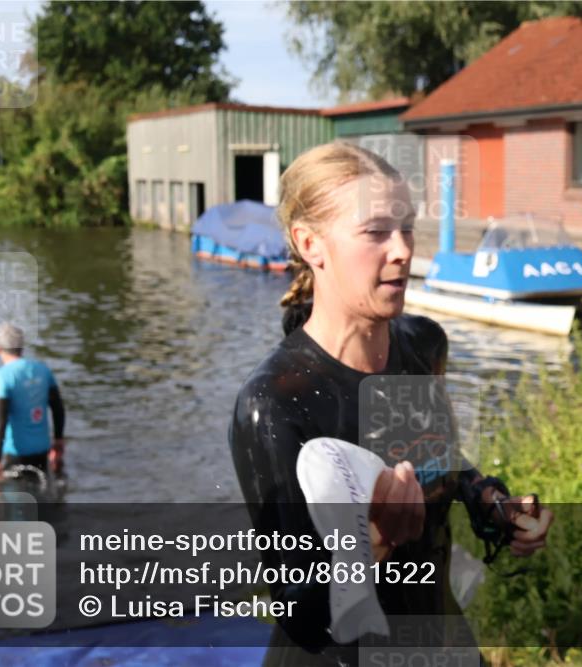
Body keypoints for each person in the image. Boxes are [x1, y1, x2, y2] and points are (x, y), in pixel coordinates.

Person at [228, 142, 552, 666]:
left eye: (407, 228)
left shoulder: (422, 344)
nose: (402, 250)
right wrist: (375, 540)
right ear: (311, 244)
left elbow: (440, 464)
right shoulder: (276, 403)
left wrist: (494, 505)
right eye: (376, 231)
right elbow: (300, 614)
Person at [0, 322, 66, 483]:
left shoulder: (1, 377)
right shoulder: (42, 370)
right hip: (42, 450)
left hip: (15, 454)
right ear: (21, 347)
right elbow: (58, 408)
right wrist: (58, 442)